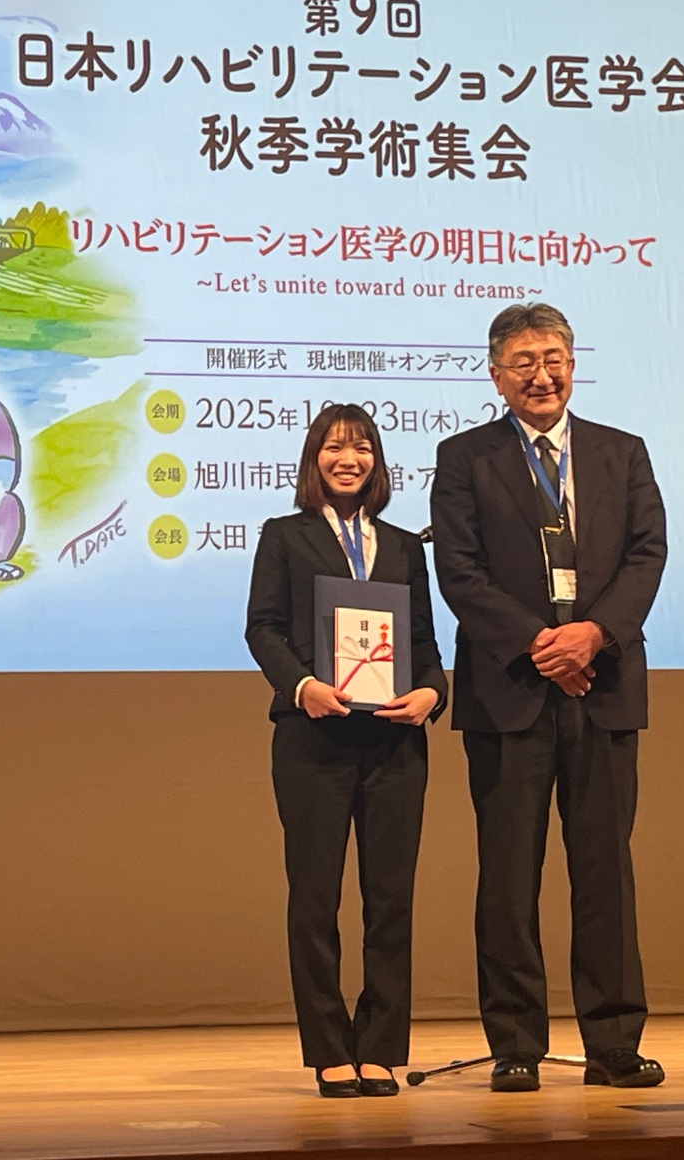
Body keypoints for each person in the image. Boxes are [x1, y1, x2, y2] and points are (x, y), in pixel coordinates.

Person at [430, 303, 668, 1092]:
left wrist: (593, 635)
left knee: (606, 873)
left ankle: (614, 1045)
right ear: (497, 376)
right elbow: (459, 573)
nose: (543, 373)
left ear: (573, 363)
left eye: (555, 356)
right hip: (510, 694)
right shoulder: (464, 457)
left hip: (604, 689)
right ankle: (515, 1045)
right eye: (525, 360)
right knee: (508, 878)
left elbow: (646, 555)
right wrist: (543, 645)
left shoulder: (621, 453)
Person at [245, 404, 448, 1098]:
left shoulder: (400, 544)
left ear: (377, 463)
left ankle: (382, 1046)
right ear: (314, 460)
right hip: (314, 741)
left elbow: (424, 646)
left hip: (395, 743)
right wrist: (302, 686)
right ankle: (330, 1048)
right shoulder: (285, 536)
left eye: (362, 448)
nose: (349, 459)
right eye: (335, 447)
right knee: (316, 899)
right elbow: (263, 628)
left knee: (391, 900)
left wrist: (431, 694)